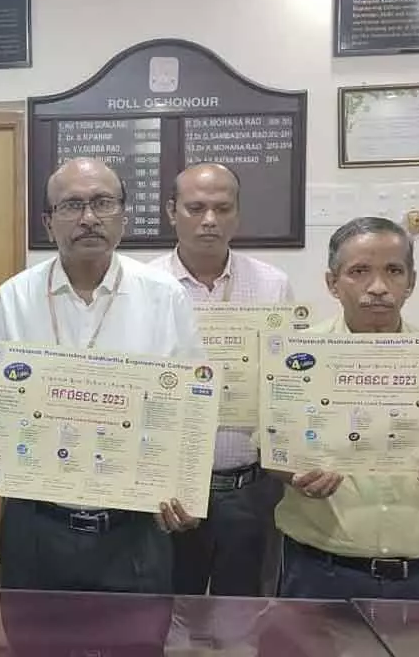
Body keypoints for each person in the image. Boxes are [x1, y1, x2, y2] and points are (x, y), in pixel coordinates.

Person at [0, 157, 205, 594]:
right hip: (37, 526)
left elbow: (191, 408)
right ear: (49, 223)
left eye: (102, 203)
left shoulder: (164, 297)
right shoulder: (14, 297)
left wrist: (188, 493)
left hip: (136, 530)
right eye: (71, 206)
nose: (88, 218)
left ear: (124, 215)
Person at [274, 216, 419, 600]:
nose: (378, 287)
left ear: (411, 281)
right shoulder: (293, 356)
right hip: (319, 571)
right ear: (332, 282)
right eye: (359, 271)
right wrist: (294, 473)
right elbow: (272, 452)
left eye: (393, 271)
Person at [148, 163, 292, 597]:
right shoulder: (143, 284)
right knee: (168, 613)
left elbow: (287, 381)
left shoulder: (272, 285)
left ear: (237, 214)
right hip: (169, 491)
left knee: (244, 618)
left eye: (221, 208)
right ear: (172, 212)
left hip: (249, 487)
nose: (209, 220)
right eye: (195, 208)